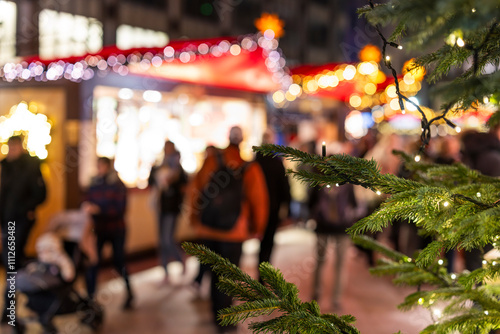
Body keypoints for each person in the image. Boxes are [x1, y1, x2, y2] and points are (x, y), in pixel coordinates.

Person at [187, 126, 268, 332]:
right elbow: (259, 201)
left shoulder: (211, 161)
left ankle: (216, 312)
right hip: (235, 232)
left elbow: (196, 190)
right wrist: (258, 227)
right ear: (242, 141)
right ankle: (225, 318)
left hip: (209, 228)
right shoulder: (249, 168)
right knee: (229, 275)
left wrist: (194, 219)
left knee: (214, 272)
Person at [1, 135, 46, 323]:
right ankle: (18, 305)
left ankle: (11, 310)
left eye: (15, 147)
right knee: (12, 263)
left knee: (11, 262)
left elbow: (41, 194)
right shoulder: (5, 167)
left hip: (19, 221)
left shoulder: (31, 166)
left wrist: (26, 210)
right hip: (6, 222)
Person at [308, 142, 359, 310]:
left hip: (323, 226)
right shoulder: (347, 181)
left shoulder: (318, 178)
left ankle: (317, 293)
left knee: (320, 261)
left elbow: (310, 202)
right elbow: (354, 203)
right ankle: (336, 298)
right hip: (342, 227)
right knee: (340, 264)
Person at [84, 157, 134, 309]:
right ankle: (90, 299)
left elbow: (120, 209)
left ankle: (130, 293)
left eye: (101, 166)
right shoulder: (94, 183)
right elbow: (86, 200)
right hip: (98, 229)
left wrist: (100, 210)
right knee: (92, 262)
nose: (99, 169)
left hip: (116, 229)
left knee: (119, 262)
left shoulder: (117, 185)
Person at [149, 141, 188, 284]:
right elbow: (151, 183)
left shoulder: (178, 170)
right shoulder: (160, 166)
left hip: (172, 208)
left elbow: (184, 187)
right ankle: (165, 271)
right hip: (160, 207)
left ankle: (180, 260)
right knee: (161, 241)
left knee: (167, 239)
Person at [255, 129, 291, 267]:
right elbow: (285, 187)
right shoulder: (276, 163)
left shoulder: (255, 162)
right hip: (272, 208)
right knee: (268, 242)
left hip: (258, 207)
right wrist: (286, 206)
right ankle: (263, 271)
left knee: (261, 240)